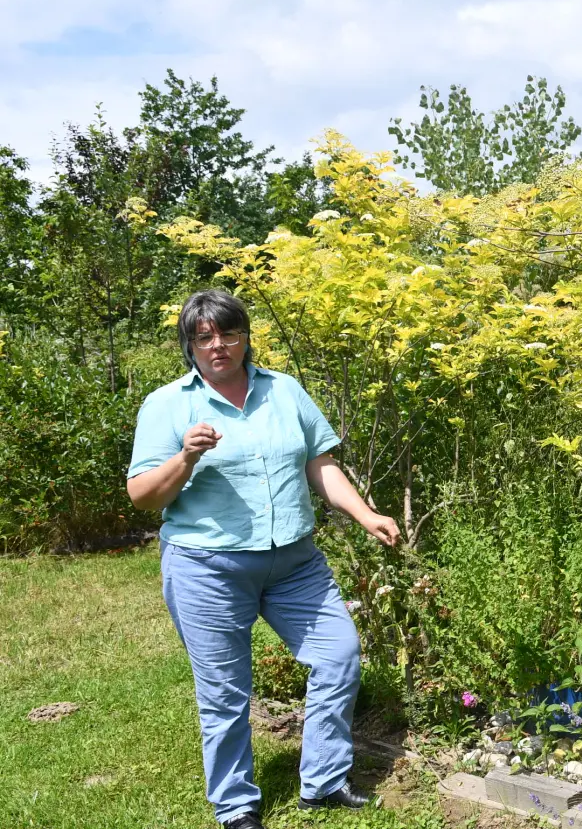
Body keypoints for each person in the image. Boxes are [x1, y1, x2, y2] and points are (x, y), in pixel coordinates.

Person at [126, 289, 401, 829]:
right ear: (190, 345)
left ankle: (323, 783)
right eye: (204, 337)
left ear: (245, 336)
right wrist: (186, 457)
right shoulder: (167, 405)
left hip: (294, 563)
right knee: (226, 691)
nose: (218, 345)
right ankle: (236, 805)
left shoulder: (284, 391)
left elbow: (318, 464)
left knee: (338, 654)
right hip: (208, 566)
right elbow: (144, 497)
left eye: (228, 333)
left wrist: (365, 514)